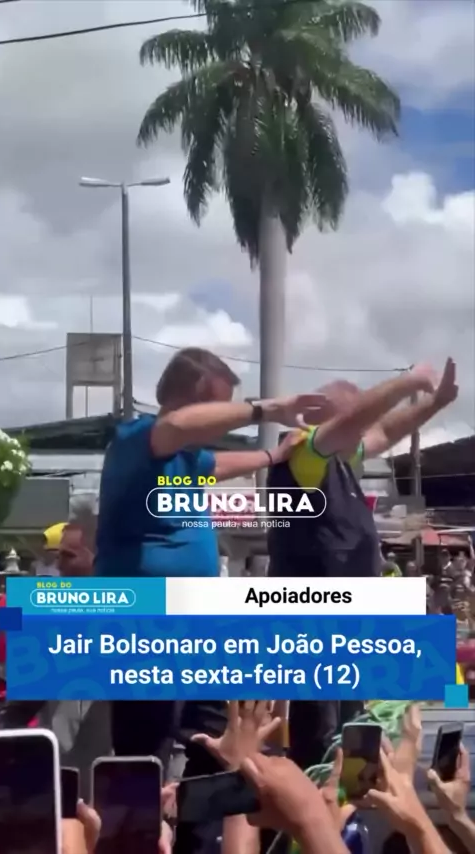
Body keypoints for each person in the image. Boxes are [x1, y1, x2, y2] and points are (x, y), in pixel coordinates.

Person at [94, 345, 330, 854]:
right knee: (145, 750)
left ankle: (195, 840)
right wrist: (268, 409)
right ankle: (136, 840)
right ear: (190, 401)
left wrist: (271, 457)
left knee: (216, 737)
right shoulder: (137, 440)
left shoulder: (184, 460)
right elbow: (177, 426)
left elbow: (217, 463)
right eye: (219, 406)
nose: (225, 418)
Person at [267, 358, 458, 770]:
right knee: (320, 735)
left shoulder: (338, 458)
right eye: (355, 421)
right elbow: (362, 422)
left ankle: (343, 803)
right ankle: (313, 803)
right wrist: (409, 382)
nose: (362, 433)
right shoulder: (304, 451)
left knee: (350, 731)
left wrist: (436, 403)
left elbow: (384, 431)